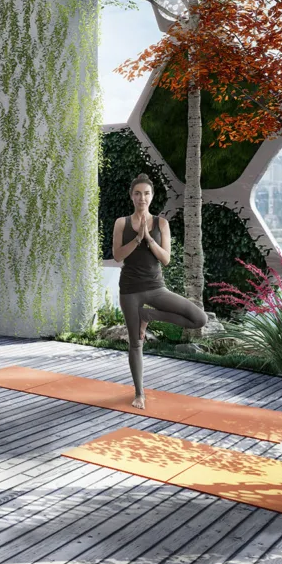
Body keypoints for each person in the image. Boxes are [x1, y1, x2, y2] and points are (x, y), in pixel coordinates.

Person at [111, 174, 208, 409]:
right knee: (135, 343)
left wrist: (149, 239)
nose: (142, 197)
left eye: (146, 193)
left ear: (151, 196)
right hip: (130, 291)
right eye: (137, 193)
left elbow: (166, 259)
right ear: (131, 196)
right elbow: (117, 256)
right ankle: (139, 394)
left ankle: (149, 316)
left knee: (199, 318)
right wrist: (137, 239)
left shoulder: (161, 223)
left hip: (156, 288)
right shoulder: (121, 223)